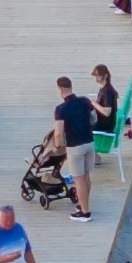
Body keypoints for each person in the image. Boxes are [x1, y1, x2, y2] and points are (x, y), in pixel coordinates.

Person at [51, 73, 98, 219]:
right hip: (89, 142)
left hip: (75, 146)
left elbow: (58, 133)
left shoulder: (61, 109)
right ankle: (84, 205)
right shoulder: (84, 101)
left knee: (78, 179)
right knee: (86, 177)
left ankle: (85, 212)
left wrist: (58, 146)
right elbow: (94, 118)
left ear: (60, 89)